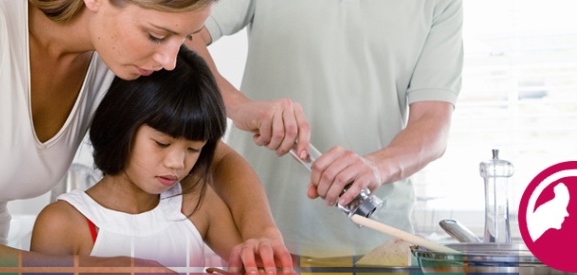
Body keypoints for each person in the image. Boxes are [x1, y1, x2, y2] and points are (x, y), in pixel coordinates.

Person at [0, 0, 294, 275]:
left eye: (183, 38)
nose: (169, 58)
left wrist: (259, 237)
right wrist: (100, 273)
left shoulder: (117, 56)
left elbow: (215, 157)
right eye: (158, 35)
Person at [186, 0, 463, 258]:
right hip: (260, 233)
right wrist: (238, 106)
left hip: (376, 244)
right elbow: (184, 32)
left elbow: (432, 121)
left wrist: (377, 167)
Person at [30, 46, 238, 275]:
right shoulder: (64, 225)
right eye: (162, 143)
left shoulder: (195, 202)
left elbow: (255, 269)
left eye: (193, 149)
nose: (176, 163)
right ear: (121, 125)